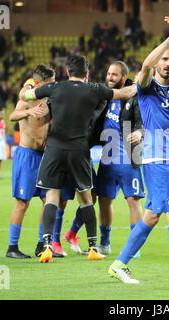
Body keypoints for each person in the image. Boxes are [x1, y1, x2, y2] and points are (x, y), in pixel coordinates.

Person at [107, 13, 169, 289]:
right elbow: (146, 64)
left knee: (151, 215)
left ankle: (119, 264)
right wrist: (168, 40)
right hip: (155, 159)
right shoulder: (146, 86)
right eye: (166, 59)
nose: (168, 64)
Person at [20, 55, 137, 263]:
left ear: (67, 72)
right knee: (86, 199)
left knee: (52, 197)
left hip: (54, 149)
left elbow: (26, 95)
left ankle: (46, 246)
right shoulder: (94, 89)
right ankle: (93, 247)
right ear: (87, 73)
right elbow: (125, 92)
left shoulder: (53, 88)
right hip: (79, 150)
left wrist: (30, 84)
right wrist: (142, 82)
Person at [91, 61, 145, 255]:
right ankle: (104, 243)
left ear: (123, 77)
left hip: (129, 158)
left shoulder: (134, 96)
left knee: (133, 201)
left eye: (114, 75)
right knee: (104, 201)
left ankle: (135, 246)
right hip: (107, 158)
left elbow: (143, 121)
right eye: (108, 73)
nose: (109, 77)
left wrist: (139, 133)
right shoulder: (104, 96)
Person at [5, 65, 55, 259]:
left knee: (47, 201)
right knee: (22, 203)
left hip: (44, 156)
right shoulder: (26, 97)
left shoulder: (48, 99)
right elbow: (12, 116)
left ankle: (42, 244)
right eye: (50, 83)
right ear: (39, 83)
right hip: (27, 156)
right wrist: (29, 111)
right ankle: (12, 247)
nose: (53, 85)